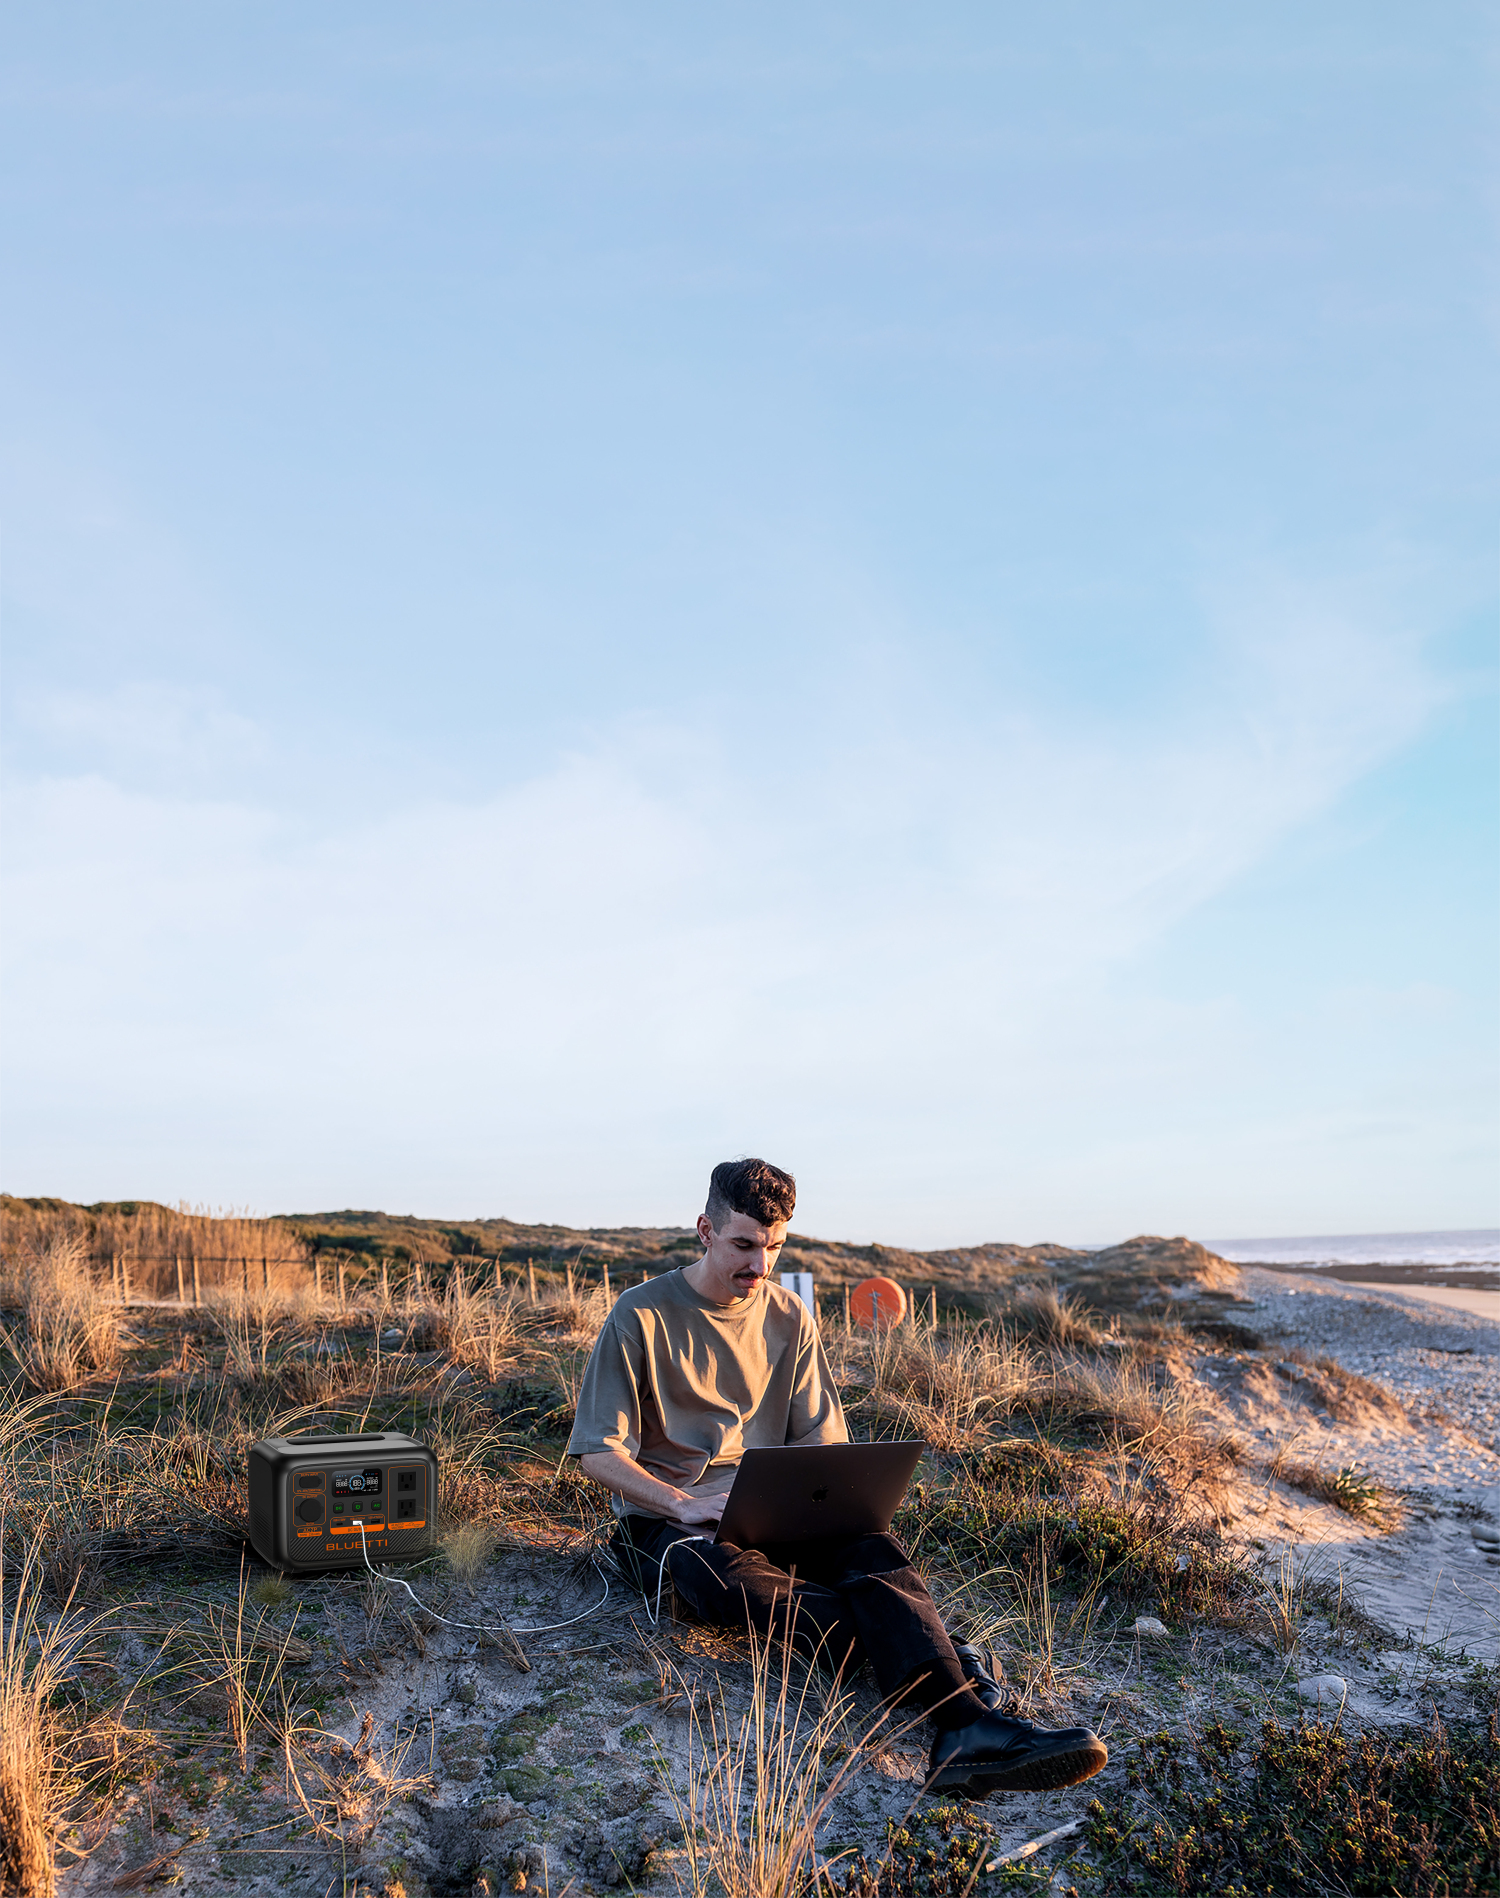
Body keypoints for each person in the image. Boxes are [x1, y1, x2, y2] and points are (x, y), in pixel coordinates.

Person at [567, 1157, 1108, 1797]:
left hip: (770, 1504)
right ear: (705, 1231)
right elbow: (596, 1453)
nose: (760, 1265)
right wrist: (683, 1503)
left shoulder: (789, 1315)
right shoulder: (640, 1314)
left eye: (774, 1247)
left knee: (868, 1545)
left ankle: (964, 1730)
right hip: (667, 1523)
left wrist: (825, 1501)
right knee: (727, 1584)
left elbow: (823, 1443)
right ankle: (948, 1658)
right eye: (743, 1244)